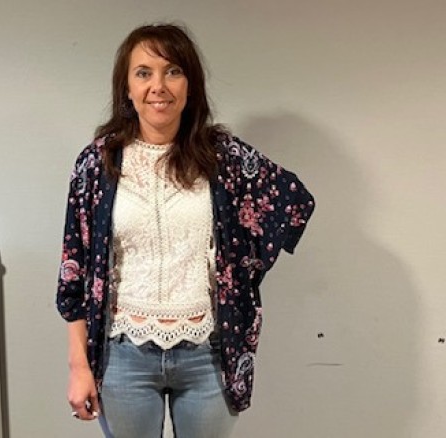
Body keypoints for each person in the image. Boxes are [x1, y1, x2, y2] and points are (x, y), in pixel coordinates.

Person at [56, 23, 315, 438]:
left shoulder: (223, 159)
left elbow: (292, 201)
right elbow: (74, 270)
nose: (158, 86)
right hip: (123, 355)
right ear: (127, 88)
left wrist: (240, 274)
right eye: (143, 73)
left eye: (173, 71)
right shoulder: (97, 164)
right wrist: (78, 366)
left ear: (190, 86)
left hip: (207, 356)